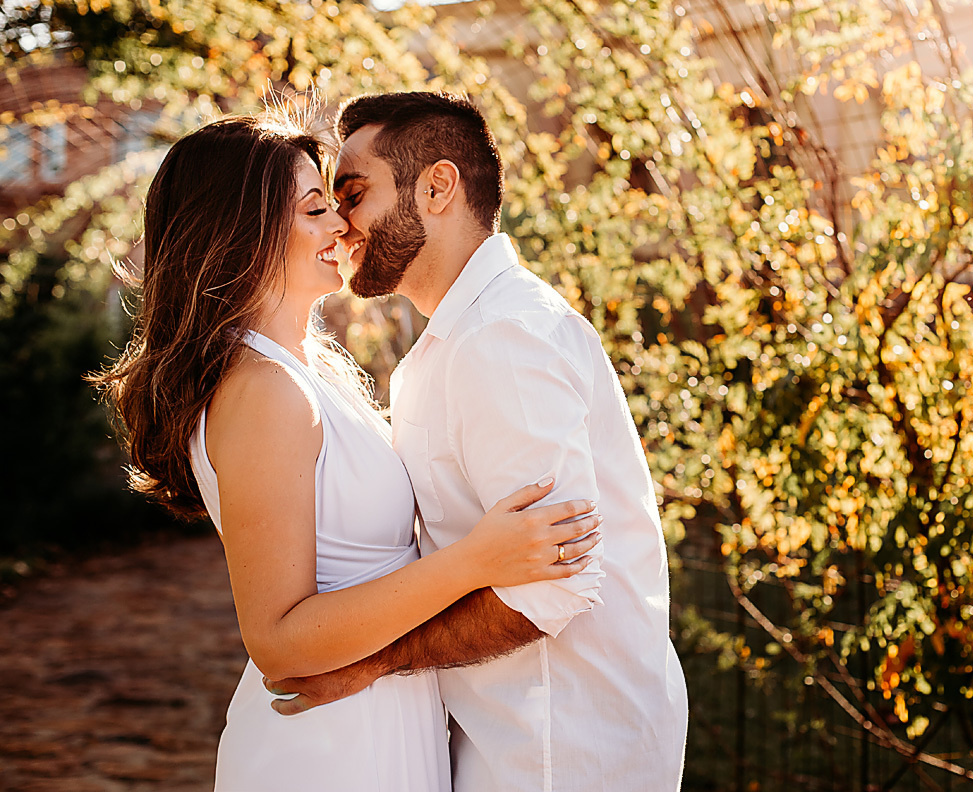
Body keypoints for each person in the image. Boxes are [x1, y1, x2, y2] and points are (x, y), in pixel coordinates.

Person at [91, 112, 601, 791]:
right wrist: (475, 559)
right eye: (314, 209)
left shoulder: (309, 367)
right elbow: (276, 641)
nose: (341, 226)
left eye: (336, 204)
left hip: (378, 722)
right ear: (242, 229)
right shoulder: (265, 391)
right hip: (327, 749)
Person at [266, 92, 689, 791]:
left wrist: (375, 660)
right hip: (509, 743)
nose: (340, 221)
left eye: (355, 191)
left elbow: (556, 585)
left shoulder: (504, 337)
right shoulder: (457, 342)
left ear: (437, 187)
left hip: (562, 751)